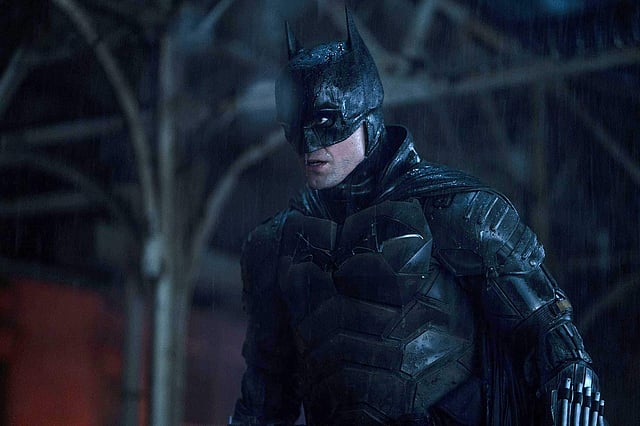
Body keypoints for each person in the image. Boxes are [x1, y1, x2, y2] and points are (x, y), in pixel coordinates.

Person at [231, 8, 606, 426]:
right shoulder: (276, 244)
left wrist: (571, 372)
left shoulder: (456, 210)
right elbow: (265, 395)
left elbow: (547, 334)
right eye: (294, 125)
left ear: (367, 118)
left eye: (325, 123)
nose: (307, 143)